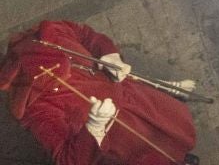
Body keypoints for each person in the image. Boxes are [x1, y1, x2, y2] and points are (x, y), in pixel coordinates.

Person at [0, 20, 198, 164]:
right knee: (157, 154)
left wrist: (109, 54)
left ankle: (179, 149)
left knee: (172, 129)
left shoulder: (46, 35)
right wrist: (94, 127)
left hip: (133, 97)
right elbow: (67, 159)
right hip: (119, 136)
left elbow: (85, 35)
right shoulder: (32, 107)